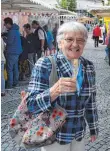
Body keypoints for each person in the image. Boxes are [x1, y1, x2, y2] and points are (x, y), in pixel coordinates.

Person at [26, 22, 98, 151]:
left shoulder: (88, 66)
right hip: (54, 135)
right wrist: (54, 91)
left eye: (80, 40)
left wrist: (93, 128)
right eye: (69, 39)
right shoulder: (46, 64)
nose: (75, 44)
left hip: (78, 134)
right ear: (59, 43)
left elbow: (91, 101)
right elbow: (31, 104)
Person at [3, 17, 23, 88]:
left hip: (12, 52)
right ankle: (16, 83)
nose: (5, 26)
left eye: (5, 24)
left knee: (10, 69)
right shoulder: (15, 30)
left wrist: (4, 38)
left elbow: (9, 42)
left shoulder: (11, 31)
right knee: (15, 68)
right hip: (17, 52)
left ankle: (10, 85)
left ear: (8, 23)